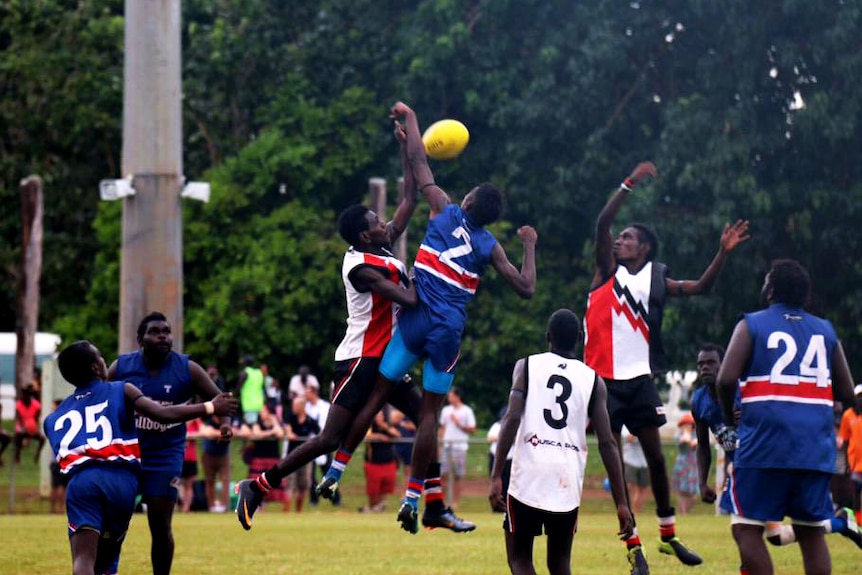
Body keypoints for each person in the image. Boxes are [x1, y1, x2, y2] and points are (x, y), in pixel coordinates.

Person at [234, 110, 473, 533]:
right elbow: (410, 296)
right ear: (366, 236)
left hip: (385, 359)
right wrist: (438, 273)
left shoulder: (380, 249)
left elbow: (409, 200)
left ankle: (433, 505)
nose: (386, 224)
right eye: (378, 223)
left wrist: (405, 150)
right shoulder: (362, 267)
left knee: (426, 421)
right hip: (360, 360)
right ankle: (258, 486)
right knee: (329, 439)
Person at [317, 100, 537, 535]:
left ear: (468, 199)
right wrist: (529, 244)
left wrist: (411, 118)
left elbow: (418, 163)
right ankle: (414, 496)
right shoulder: (490, 245)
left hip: (414, 318)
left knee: (379, 394)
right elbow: (526, 288)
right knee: (430, 414)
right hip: (447, 331)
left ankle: (336, 471)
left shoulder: (442, 206)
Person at [583, 161, 750, 570]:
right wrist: (628, 182)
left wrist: (722, 253)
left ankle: (668, 535)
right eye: (620, 237)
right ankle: (634, 547)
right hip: (602, 382)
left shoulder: (656, 279)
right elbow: (603, 223)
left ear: (645, 249)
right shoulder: (607, 271)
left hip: (639, 381)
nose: (620, 240)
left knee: (657, 459)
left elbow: (702, 287)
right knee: (616, 463)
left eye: (629, 238)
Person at [45, 340, 235, 575]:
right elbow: (162, 414)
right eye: (101, 357)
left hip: (83, 481)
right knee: (107, 559)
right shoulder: (121, 389)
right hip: (123, 482)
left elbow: (65, 455)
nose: (105, 361)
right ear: (96, 368)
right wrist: (209, 407)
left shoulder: (54, 417)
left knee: (84, 559)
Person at [716, 259, 857, 575]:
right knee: (811, 532)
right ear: (805, 295)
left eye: (767, 280)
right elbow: (848, 393)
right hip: (813, 448)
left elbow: (725, 380)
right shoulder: (826, 330)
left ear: (771, 289)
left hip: (764, 445)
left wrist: (729, 418)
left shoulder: (751, 324)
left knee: (746, 527)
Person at [489, 309, 634, 575]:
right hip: (566, 480)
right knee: (559, 564)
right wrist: (622, 503)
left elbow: (511, 419)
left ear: (547, 336)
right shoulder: (594, 381)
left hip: (528, 478)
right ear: (580, 337)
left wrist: (496, 473)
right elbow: (607, 444)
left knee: (520, 559)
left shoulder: (527, 366)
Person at [106, 311, 232, 575]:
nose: (163, 335)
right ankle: (106, 570)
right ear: (140, 338)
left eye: (167, 331)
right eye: (155, 331)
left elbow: (221, 400)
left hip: (166, 455)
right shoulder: (122, 367)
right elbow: (98, 397)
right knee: (114, 524)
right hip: (127, 454)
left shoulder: (187, 368)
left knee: (160, 525)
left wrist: (225, 423)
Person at [438, 387, 476, 510]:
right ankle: (442, 501)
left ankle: (455, 502)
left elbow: (472, 429)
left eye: (451, 395)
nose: (449, 398)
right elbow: (442, 428)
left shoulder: (467, 411)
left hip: (460, 447)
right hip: (447, 446)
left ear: (457, 396)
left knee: (457, 476)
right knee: (443, 474)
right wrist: (440, 444)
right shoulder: (446, 410)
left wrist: (458, 424)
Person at [359, 409, 400, 513]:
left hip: (388, 461)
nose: (379, 418)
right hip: (373, 462)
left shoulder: (388, 426)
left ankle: (380, 505)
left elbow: (398, 435)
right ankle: (372, 506)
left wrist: (385, 426)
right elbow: (365, 435)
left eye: (381, 416)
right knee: (373, 488)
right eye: (377, 416)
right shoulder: (370, 427)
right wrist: (379, 437)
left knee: (386, 486)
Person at [283, 396, 319, 513]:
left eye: (295, 405)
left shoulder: (310, 421)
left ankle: (299, 512)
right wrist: (289, 433)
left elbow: (320, 434)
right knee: (289, 485)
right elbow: (287, 428)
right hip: (291, 457)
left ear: (302, 407)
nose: (293, 407)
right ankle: (286, 512)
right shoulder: (291, 417)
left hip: (305, 458)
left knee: (303, 485)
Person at [839, 385, 862, 528]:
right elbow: (845, 441)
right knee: (857, 492)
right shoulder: (848, 415)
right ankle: (858, 520)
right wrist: (846, 464)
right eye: (859, 396)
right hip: (855, 462)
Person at [199, 415, 231, 512]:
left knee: (225, 480)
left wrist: (216, 433)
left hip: (223, 455)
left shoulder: (227, 421)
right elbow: (207, 432)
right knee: (210, 481)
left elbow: (233, 432)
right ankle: (211, 506)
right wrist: (222, 434)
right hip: (209, 455)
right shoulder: (208, 420)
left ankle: (223, 506)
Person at [671, 413, 698, 514]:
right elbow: (686, 441)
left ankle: (685, 511)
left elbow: (694, 443)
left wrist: (690, 435)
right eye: (685, 424)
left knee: (693, 495)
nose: (687, 426)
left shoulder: (696, 434)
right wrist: (686, 432)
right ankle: (683, 513)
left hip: (693, 466)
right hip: (682, 466)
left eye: (689, 424)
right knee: (682, 493)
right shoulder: (679, 435)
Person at [14, 382, 45, 464]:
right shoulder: (18, 404)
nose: (23, 396)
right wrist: (23, 427)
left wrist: (32, 428)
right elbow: (19, 419)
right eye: (22, 395)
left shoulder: (36, 405)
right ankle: (17, 454)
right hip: (22, 427)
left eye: (25, 395)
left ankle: (37, 454)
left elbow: (36, 419)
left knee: (42, 438)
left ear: (29, 396)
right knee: (18, 436)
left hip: (32, 426)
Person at [621, 426, 649, 516]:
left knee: (642, 488)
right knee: (629, 486)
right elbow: (630, 438)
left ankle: (637, 512)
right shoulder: (625, 426)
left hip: (644, 461)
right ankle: (628, 510)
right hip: (630, 460)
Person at [179, 419, 202, 513]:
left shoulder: (195, 420)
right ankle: (178, 506)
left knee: (189, 484)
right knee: (178, 484)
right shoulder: (177, 418)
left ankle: (186, 508)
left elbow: (203, 432)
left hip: (191, 458)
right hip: (178, 457)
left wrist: (189, 435)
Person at [237, 356, 265, 426]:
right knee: (258, 426)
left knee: (251, 427)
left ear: (245, 363)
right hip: (259, 403)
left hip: (249, 404)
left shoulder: (245, 373)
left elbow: (238, 388)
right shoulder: (259, 373)